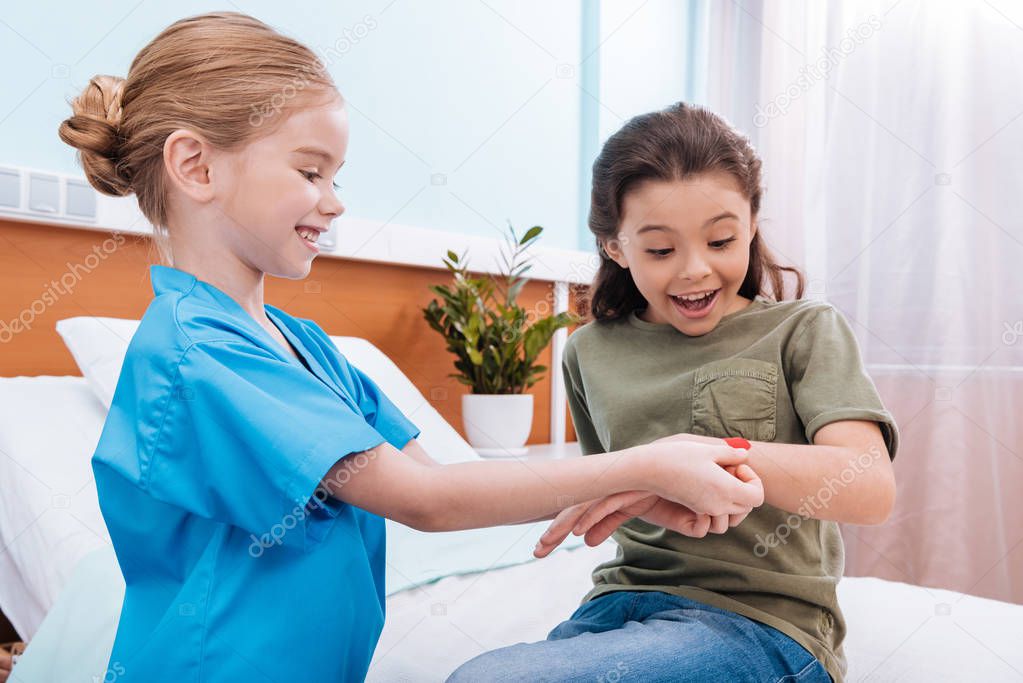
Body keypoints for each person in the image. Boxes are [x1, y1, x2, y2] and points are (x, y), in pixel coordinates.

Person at [57, 15, 764, 682]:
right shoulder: (198, 354)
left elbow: (449, 476)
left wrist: (635, 487)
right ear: (196, 166)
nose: (333, 201)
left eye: (336, 176)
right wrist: (647, 459)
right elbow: (425, 500)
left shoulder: (304, 347)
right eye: (310, 172)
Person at [448, 103, 900, 683]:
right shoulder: (589, 351)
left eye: (720, 240)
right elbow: (607, 486)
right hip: (618, 606)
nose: (695, 270)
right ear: (615, 247)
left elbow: (869, 487)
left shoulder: (803, 330)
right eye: (661, 250)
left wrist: (689, 457)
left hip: (764, 622)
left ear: (752, 222)